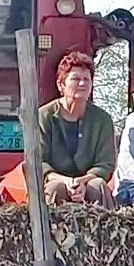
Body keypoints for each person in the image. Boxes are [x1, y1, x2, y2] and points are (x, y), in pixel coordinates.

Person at [39, 51, 117, 208]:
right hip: (56, 180)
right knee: (55, 189)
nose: (82, 84)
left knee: (98, 186)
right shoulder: (44, 116)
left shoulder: (103, 119)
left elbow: (105, 164)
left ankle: (103, 232)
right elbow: (39, 162)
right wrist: (66, 182)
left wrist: (81, 182)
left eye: (86, 79)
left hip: (88, 180)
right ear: (61, 85)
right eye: (75, 79)